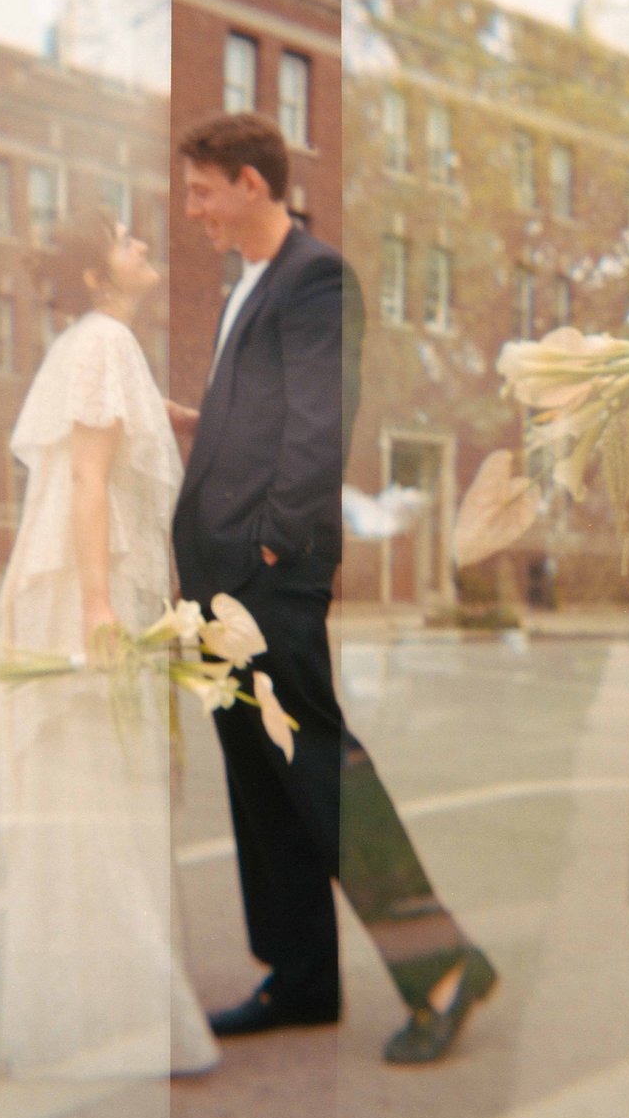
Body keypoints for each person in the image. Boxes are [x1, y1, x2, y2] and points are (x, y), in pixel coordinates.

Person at [171, 112, 495, 1066]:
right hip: (217, 578)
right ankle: (302, 976)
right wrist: (190, 421)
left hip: (263, 578)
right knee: (261, 777)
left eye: (202, 190)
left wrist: (271, 552)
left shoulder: (315, 279)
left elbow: (319, 426)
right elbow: (260, 420)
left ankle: (442, 968)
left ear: (251, 184)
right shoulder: (252, 286)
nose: (192, 209)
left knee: (321, 775)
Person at [0, 209, 219, 1080]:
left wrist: (219, 420)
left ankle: (90, 1011)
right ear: (93, 276)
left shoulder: (98, 345)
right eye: (127, 241)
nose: (144, 248)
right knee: (105, 798)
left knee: (99, 798)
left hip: (92, 580)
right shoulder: (102, 344)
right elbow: (87, 475)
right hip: (92, 586)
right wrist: (95, 607)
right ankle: (130, 1017)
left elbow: (149, 421)